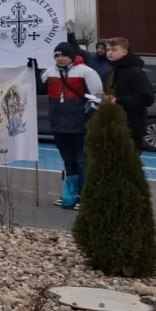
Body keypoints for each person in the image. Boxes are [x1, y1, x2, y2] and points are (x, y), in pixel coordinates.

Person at [43, 42, 103, 207]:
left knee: (82, 160)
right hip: (58, 124)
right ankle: (70, 195)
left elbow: (98, 98)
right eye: (57, 55)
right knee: (68, 160)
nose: (59, 58)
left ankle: (85, 197)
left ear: (71, 56)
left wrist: (90, 120)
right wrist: (31, 69)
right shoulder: (50, 72)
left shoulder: (86, 72)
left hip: (79, 124)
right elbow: (38, 88)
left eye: (63, 55)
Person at [105, 37, 155, 152]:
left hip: (131, 127)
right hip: (115, 124)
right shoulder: (114, 70)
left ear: (125, 51)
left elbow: (147, 98)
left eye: (114, 50)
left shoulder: (135, 72)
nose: (110, 53)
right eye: (108, 50)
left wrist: (118, 101)